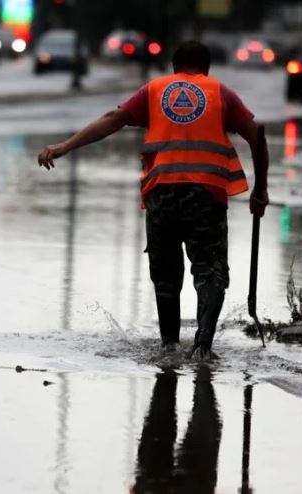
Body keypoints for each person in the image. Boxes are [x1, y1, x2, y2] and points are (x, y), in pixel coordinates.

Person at [37, 40, 269, 358]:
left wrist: (65, 146)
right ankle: (203, 346)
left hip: (162, 194)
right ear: (206, 68)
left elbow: (111, 120)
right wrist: (260, 190)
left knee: (165, 275)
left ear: (174, 67)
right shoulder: (220, 92)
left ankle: (169, 346)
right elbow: (257, 137)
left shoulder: (155, 90)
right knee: (209, 270)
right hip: (206, 194)